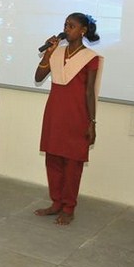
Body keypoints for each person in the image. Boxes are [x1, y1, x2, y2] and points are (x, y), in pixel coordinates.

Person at [34, 12, 103, 226]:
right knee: (53, 159)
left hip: (77, 116)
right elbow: (38, 77)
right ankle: (56, 203)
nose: (66, 29)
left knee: (72, 164)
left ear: (83, 30)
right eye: (65, 25)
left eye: (71, 26)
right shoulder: (56, 53)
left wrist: (92, 123)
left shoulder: (90, 58)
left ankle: (69, 208)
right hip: (55, 113)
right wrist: (48, 53)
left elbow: (89, 92)